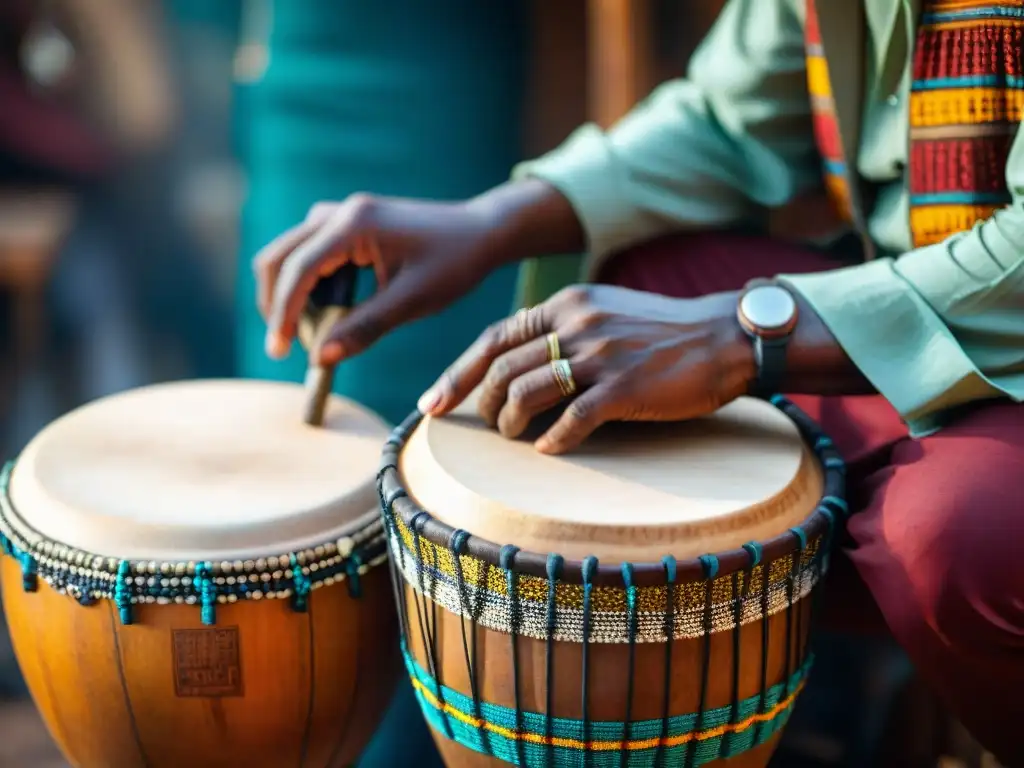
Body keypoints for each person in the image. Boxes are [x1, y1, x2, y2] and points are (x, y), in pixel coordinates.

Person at [252, 0, 1024, 764]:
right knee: (624, 305)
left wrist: (736, 334)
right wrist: (492, 222)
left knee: (952, 537)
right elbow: (731, 121)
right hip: (924, 306)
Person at [235, 1, 527, 764]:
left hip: (438, 74)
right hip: (292, 63)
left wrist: (496, 223)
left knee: (432, 464)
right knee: (286, 468)